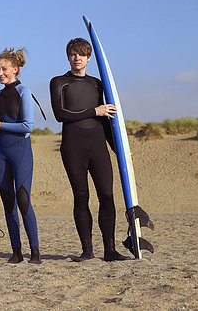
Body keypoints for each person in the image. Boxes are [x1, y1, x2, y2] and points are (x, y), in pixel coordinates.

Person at [49, 38, 127, 262]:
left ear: (89, 57)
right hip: (73, 146)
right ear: (68, 56)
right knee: (81, 196)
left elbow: (105, 119)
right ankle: (87, 251)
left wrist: (118, 149)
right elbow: (61, 114)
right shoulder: (58, 82)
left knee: (107, 195)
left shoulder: (97, 83)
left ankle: (110, 250)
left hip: (97, 145)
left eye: (82, 54)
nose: (77, 58)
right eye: (73, 54)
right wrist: (94, 110)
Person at [0, 48, 41, 264]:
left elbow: (28, 127)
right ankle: (16, 252)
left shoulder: (23, 91)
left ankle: (35, 251)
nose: (0, 73)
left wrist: (0, 124)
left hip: (20, 150)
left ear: (15, 69)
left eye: (4, 69)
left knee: (23, 199)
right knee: (8, 202)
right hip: (0, 151)